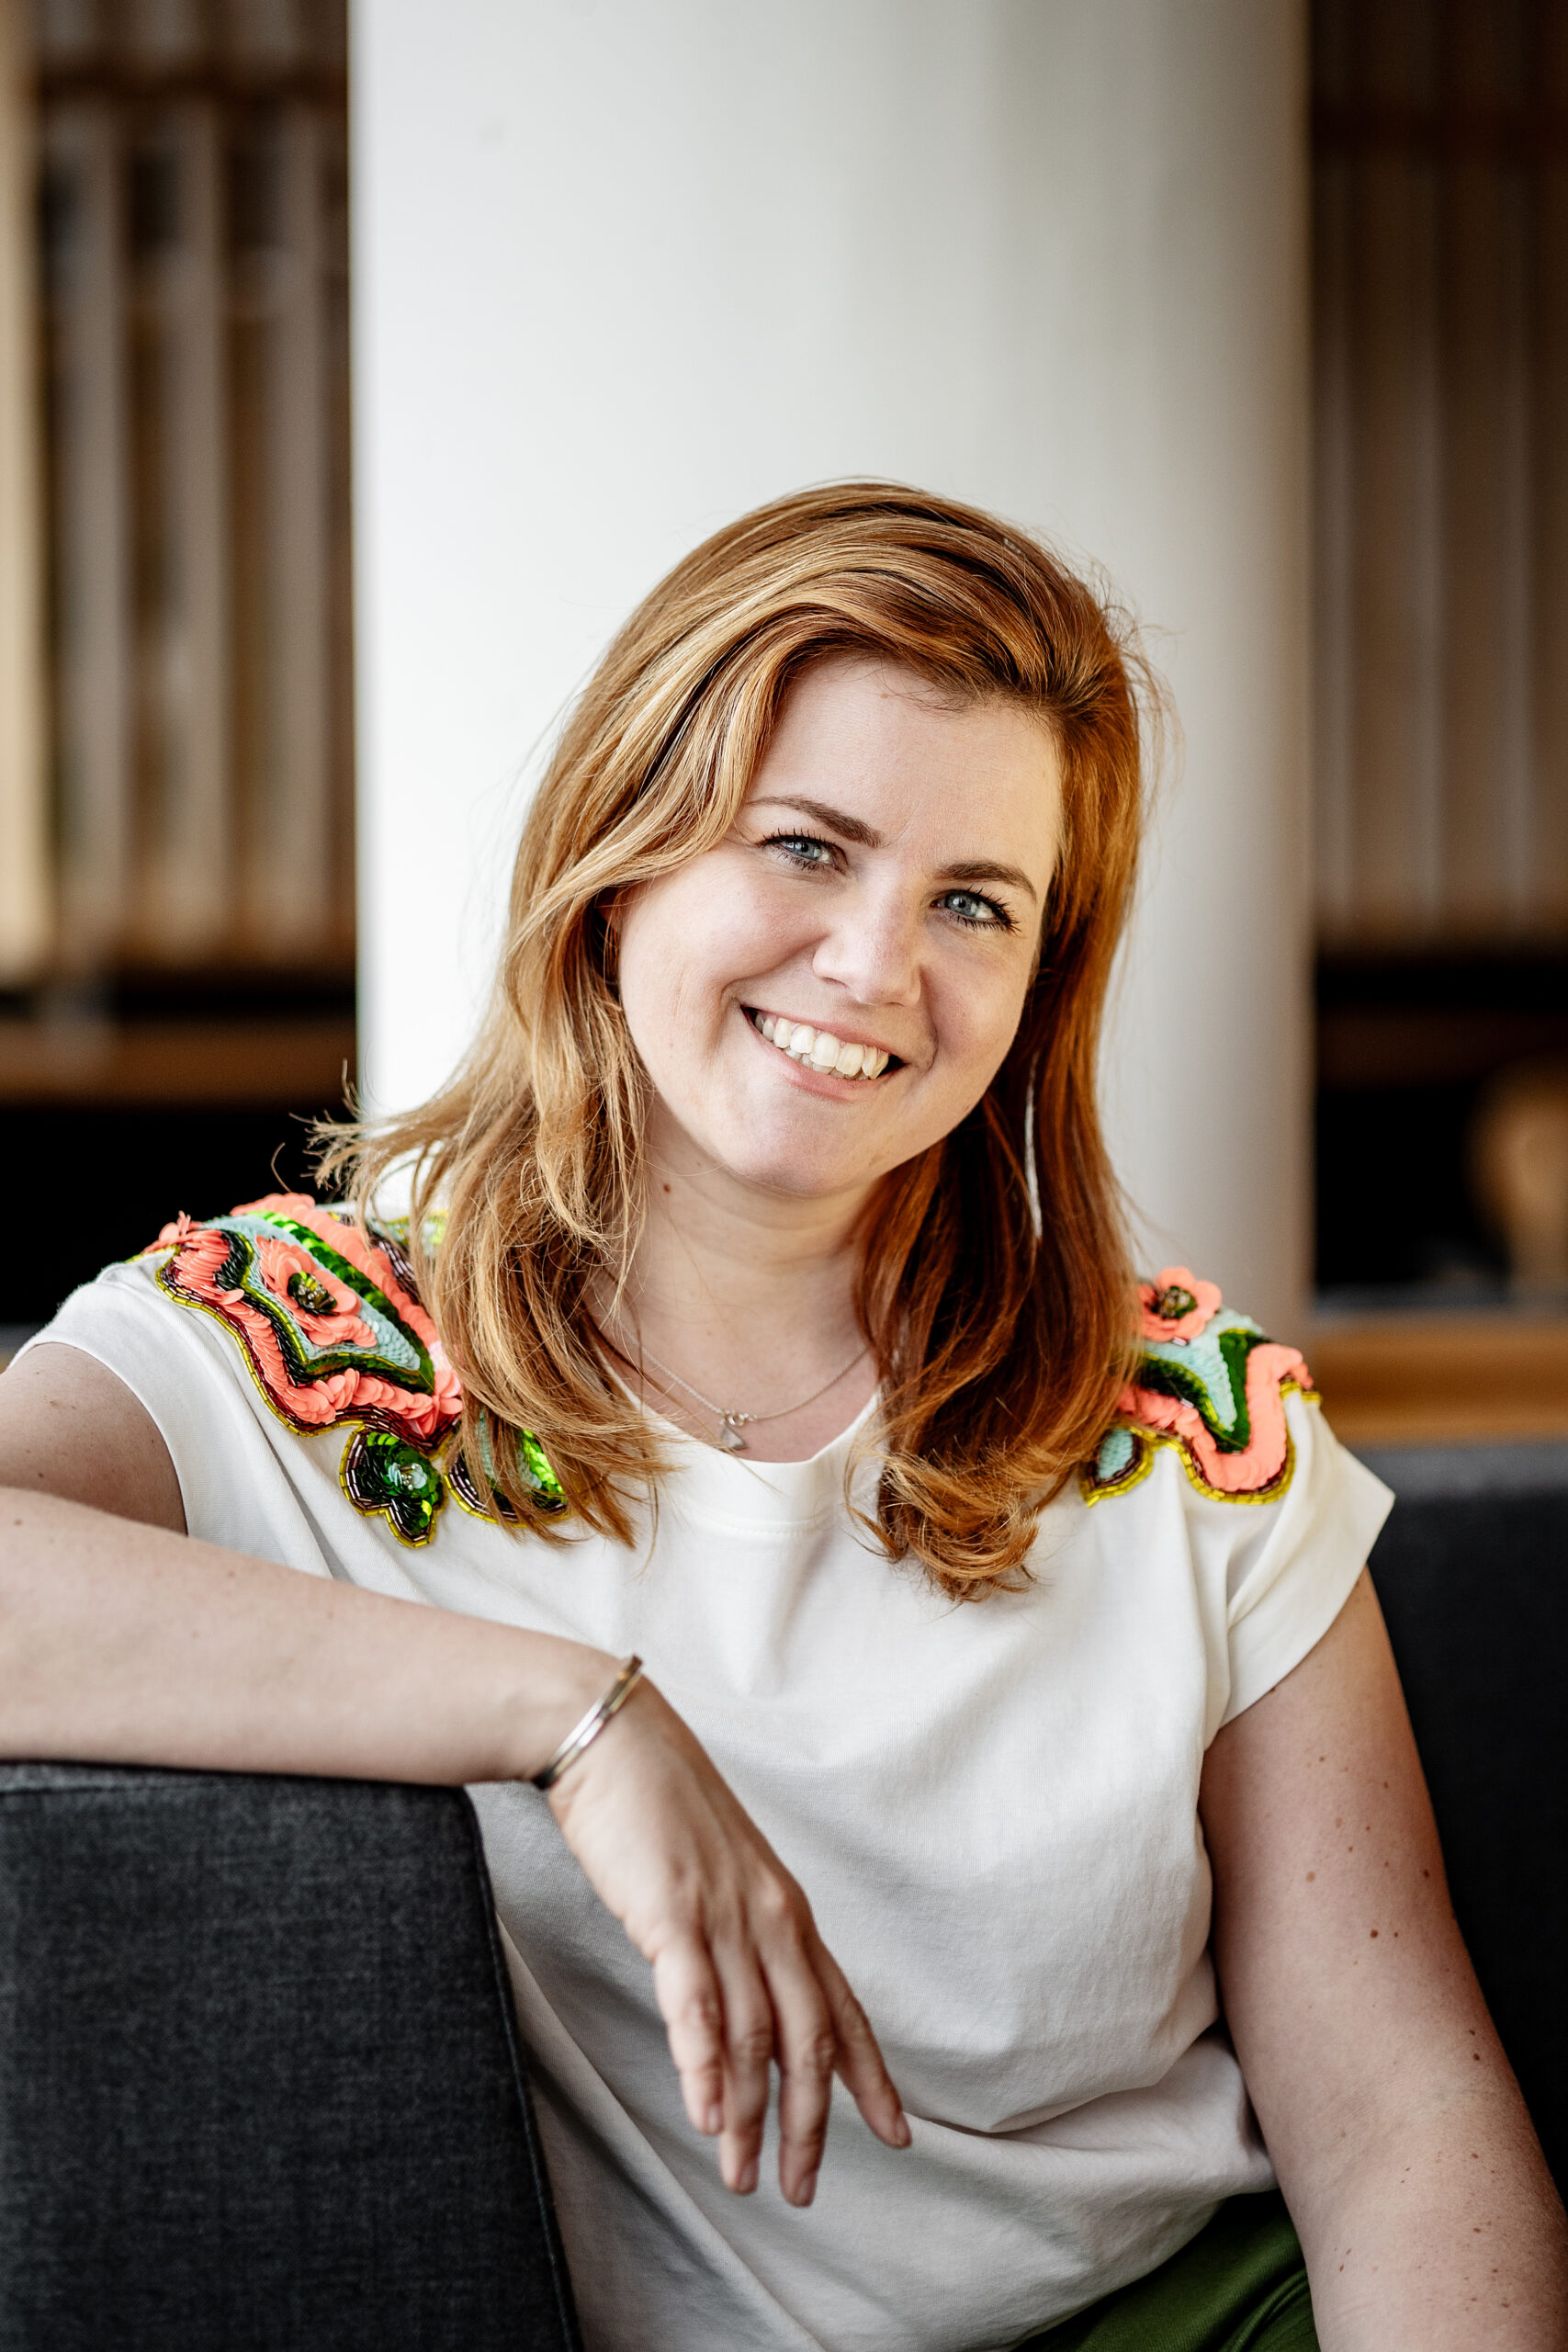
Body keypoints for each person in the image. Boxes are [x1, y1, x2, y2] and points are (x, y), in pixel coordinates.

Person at [1, 484, 1562, 2352]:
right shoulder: (297, 1350)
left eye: (971, 902)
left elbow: (1397, 2115)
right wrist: (575, 1715)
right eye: (807, 847)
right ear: (623, 852)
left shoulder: (1179, 1418)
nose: (876, 966)